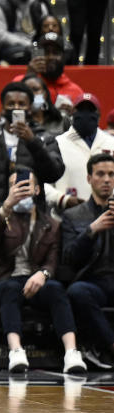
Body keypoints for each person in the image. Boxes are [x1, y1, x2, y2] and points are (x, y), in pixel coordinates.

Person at [0, 171, 87, 373]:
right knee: (12, 288)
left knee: (56, 289)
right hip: (5, 281)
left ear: (37, 190)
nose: (20, 189)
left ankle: (71, 352)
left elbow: (53, 260)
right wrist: (6, 207)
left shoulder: (51, 224)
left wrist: (44, 274)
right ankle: (16, 350)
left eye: (25, 185)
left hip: (37, 281)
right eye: (14, 185)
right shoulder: (0, 216)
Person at [0, 81, 65, 252]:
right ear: (2, 107)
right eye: (11, 104)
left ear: (30, 108)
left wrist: (32, 141)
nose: (16, 108)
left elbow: (54, 173)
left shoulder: (43, 138)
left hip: (31, 225)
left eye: (21, 104)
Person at [62, 152, 114, 368]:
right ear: (89, 178)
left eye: (111, 174)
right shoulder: (74, 215)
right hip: (94, 282)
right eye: (100, 174)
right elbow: (69, 258)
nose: (106, 179)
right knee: (77, 291)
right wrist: (91, 230)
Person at [48, 94, 114, 212]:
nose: (86, 115)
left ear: (98, 114)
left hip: (108, 215)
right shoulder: (58, 143)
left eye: (90, 110)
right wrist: (62, 199)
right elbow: (42, 183)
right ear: (73, 113)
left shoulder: (111, 142)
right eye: (81, 110)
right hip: (67, 216)